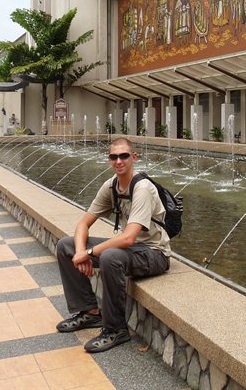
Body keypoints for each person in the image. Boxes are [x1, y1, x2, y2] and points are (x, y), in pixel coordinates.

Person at [55, 137, 170, 353]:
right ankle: (89, 312)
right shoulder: (112, 185)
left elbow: (128, 238)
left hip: (154, 254)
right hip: (130, 250)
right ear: (109, 159)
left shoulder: (142, 188)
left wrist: (88, 253)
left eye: (124, 156)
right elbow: (83, 223)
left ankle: (116, 329)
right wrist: (80, 251)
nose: (119, 161)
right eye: (114, 156)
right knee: (65, 246)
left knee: (110, 257)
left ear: (134, 157)